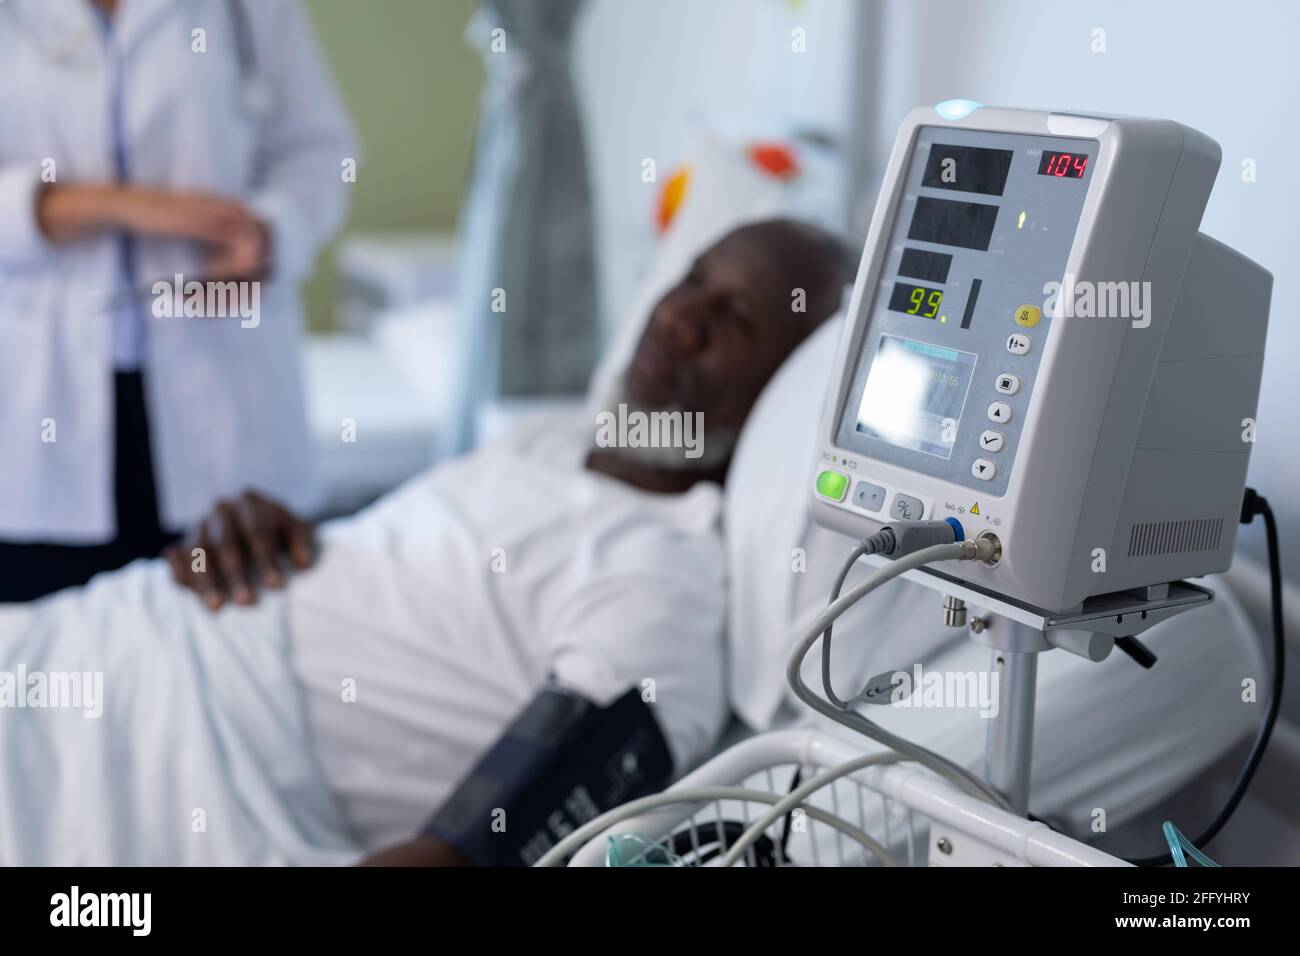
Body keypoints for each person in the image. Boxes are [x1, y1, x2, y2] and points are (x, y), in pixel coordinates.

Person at [0, 219, 853, 865]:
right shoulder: (549, 445)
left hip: (154, 759)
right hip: (108, 638)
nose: (678, 318)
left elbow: (489, 839)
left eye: (734, 319)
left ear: (779, 401)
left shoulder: (663, 577)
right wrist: (252, 540)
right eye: (694, 280)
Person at [0, 0, 358, 601]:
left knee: (231, 659)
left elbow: (324, 155)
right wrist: (101, 204)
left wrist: (269, 233)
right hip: (34, 419)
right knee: (40, 674)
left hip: (222, 408)